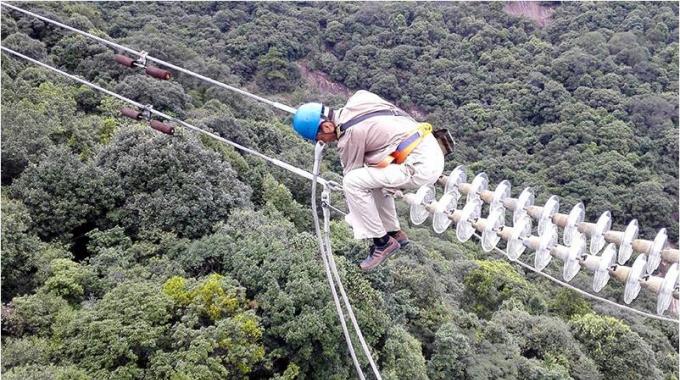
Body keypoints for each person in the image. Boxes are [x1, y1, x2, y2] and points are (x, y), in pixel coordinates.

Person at [292, 90, 445, 271]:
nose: (323, 142)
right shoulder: (359, 99)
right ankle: (393, 232)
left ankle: (382, 242)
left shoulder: (347, 135)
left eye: (320, 139)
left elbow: (351, 174)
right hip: (429, 145)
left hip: (419, 165)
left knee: (353, 182)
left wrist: (355, 216)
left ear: (326, 127)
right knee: (370, 178)